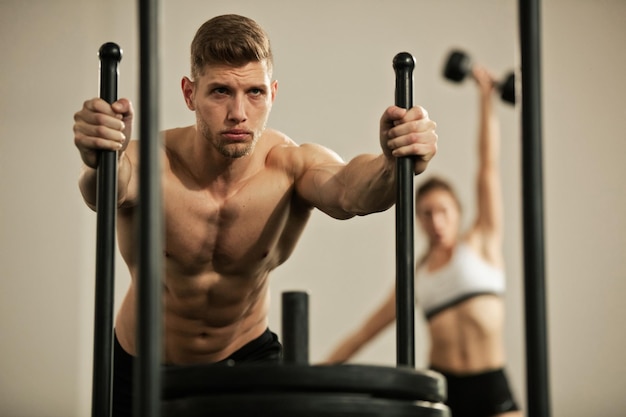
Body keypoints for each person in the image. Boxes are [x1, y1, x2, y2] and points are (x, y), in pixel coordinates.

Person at [73, 14, 437, 417]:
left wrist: (392, 162)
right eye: (220, 92)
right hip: (140, 365)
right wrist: (102, 157)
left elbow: (351, 190)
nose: (238, 113)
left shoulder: (290, 166)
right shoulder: (154, 163)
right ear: (189, 93)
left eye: (254, 93)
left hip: (247, 359)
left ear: (273, 94)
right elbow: (107, 189)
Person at [324, 64, 521, 417]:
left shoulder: (481, 244)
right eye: (427, 213)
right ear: (418, 220)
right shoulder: (417, 277)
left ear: (459, 213)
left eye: (443, 211)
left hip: (491, 385)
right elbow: (364, 333)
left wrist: (486, 98)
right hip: (443, 390)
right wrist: (315, 374)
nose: (436, 221)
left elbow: (487, 167)